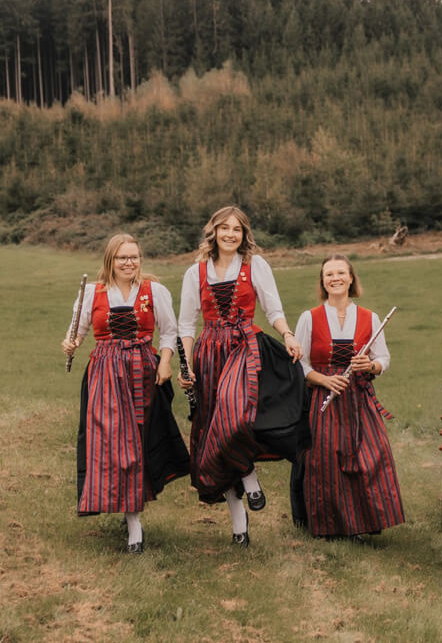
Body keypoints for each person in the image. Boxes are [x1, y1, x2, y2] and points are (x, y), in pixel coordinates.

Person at [177, 206, 308, 547]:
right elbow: (187, 324)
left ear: (244, 234)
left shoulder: (256, 266)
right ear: (214, 232)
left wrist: (288, 334)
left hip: (244, 348)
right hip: (209, 353)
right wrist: (186, 364)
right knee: (214, 436)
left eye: (237, 229)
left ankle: (249, 477)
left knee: (231, 415)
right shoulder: (196, 273)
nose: (231, 234)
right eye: (225, 228)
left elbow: (273, 308)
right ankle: (239, 528)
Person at [61, 233, 190, 553]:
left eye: (134, 257)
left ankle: (131, 510)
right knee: (113, 445)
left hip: (142, 372)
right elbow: (76, 333)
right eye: (122, 258)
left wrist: (165, 362)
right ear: (110, 260)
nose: (129, 263)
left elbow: (169, 331)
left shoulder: (153, 291)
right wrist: (71, 343)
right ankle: (133, 523)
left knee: (136, 445)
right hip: (104, 374)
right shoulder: (91, 293)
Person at [290, 255, 404, 540]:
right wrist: (324, 380)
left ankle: (362, 522)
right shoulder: (309, 317)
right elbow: (300, 364)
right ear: (323, 281)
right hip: (322, 398)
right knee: (325, 461)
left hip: (357, 397)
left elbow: (383, 357)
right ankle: (330, 527)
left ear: (351, 278)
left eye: (341, 272)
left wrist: (372, 366)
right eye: (329, 274)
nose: (335, 278)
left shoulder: (369, 317)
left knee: (370, 457)